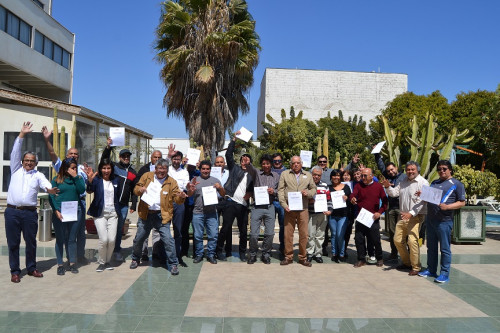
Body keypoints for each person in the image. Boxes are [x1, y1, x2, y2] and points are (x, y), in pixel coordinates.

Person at [5, 122, 58, 283]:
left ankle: (31, 268)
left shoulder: (37, 174)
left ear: (36, 163)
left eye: (32, 161)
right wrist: (22, 134)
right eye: (26, 160)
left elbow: (46, 183)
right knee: (13, 243)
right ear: (22, 161)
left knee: (30, 242)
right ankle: (15, 271)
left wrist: (50, 189)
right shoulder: (15, 169)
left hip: (29, 213)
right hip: (12, 212)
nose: (29, 163)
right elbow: (15, 151)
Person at [130, 158, 193, 275]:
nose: (161, 171)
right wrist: (140, 189)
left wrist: (182, 196)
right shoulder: (147, 176)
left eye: (164, 169)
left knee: (168, 240)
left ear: (167, 170)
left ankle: (173, 264)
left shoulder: (171, 182)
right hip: (146, 214)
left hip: (162, 215)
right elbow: (135, 189)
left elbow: (178, 199)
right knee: (139, 238)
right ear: (156, 169)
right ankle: (135, 258)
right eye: (159, 168)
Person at [43, 126, 89, 265]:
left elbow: (85, 187)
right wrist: (47, 140)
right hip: (65, 205)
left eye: (76, 154)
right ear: (67, 155)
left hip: (80, 203)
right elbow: (52, 153)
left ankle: (78, 257)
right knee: (66, 235)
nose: (73, 155)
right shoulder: (62, 167)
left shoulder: (81, 169)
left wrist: (89, 177)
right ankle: (67, 259)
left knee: (80, 233)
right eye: (71, 154)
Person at [418, 160, 465, 283]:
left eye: (444, 169)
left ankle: (444, 273)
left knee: (444, 249)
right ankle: (431, 269)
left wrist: (448, 207)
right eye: (439, 169)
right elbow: (431, 199)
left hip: (444, 221)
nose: (441, 171)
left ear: (450, 170)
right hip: (431, 220)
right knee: (431, 247)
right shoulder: (435, 182)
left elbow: (462, 202)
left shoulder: (457, 184)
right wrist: (423, 195)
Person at [382, 161, 428, 276]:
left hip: (416, 216)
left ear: (417, 170)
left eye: (412, 169)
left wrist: (411, 213)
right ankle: (407, 263)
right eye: (408, 169)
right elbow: (393, 193)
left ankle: (416, 267)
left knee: (412, 241)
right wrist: (387, 187)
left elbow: (422, 202)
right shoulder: (403, 182)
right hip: (404, 216)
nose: (410, 171)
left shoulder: (423, 183)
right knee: (397, 240)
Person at [217, 132, 253, 261]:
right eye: (242, 160)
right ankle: (219, 251)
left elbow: (258, 188)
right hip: (231, 202)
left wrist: (252, 194)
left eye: (247, 160)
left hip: (243, 206)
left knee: (243, 231)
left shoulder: (253, 175)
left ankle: (242, 253)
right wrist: (234, 140)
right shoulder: (234, 169)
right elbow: (228, 155)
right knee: (225, 228)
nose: (244, 162)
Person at [101, 137, 138, 262]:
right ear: (120, 157)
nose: (126, 158)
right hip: (111, 204)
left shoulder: (133, 172)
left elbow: (134, 190)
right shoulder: (114, 167)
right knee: (107, 228)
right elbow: (104, 160)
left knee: (118, 229)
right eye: (124, 156)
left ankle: (116, 250)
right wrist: (109, 147)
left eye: (128, 156)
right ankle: (106, 250)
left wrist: (134, 204)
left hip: (123, 206)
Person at [49, 158, 86, 275]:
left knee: (71, 239)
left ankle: (72, 263)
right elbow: (51, 196)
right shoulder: (56, 180)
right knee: (60, 239)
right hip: (60, 213)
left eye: (75, 167)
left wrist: (76, 176)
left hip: (75, 212)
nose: (75, 170)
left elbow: (82, 190)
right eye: (72, 168)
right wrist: (56, 210)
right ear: (65, 168)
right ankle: (60, 264)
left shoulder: (78, 179)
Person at [86, 159, 124, 272]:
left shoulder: (116, 180)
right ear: (100, 169)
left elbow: (119, 196)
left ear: (111, 169)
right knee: (103, 239)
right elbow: (89, 191)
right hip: (100, 214)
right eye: (104, 168)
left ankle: (107, 262)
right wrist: (90, 181)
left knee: (112, 239)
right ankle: (101, 262)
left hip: (113, 214)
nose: (106, 170)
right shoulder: (96, 180)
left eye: (108, 168)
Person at [278, 156, 317, 266]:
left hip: (303, 209)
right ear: (290, 164)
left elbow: (314, 189)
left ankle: (302, 257)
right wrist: (284, 205)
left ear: (301, 164)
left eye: (298, 163)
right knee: (288, 234)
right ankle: (288, 257)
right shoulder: (285, 174)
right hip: (289, 209)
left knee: (304, 234)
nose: (296, 165)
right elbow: (280, 190)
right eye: (294, 163)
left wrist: (308, 193)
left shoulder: (308, 175)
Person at [349, 168, 388, 268]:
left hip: (373, 217)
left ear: (371, 176)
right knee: (359, 239)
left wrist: (379, 212)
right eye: (362, 175)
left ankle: (379, 258)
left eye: (365, 176)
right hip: (361, 217)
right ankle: (361, 259)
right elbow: (353, 194)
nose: (363, 178)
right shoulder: (358, 185)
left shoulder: (378, 186)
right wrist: (352, 198)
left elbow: (385, 203)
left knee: (375, 239)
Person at [246, 154, 280, 264]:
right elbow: (250, 168)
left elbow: (280, 191)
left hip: (270, 206)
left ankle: (266, 254)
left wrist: (273, 192)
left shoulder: (276, 176)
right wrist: (248, 163)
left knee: (270, 234)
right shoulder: (256, 174)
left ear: (271, 164)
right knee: (254, 234)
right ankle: (252, 254)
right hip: (257, 207)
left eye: (268, 163)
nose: (266, 165)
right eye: (264, 163)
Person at [192, 160, 225, 264]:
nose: (205, 171)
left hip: (212, 213)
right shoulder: (195, 180)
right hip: (198, 212)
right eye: (203, 169)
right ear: (200, 169)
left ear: (210, 170)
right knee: (198, 235)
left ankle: (211, 254)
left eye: (207, 169)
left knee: (213, 235)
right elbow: (189, 195)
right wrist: (191, 188)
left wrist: (220, 188)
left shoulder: (215, 180)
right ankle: (199, 254)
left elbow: (223, 194)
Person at [374, 153, 406, 261]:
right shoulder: (388, 177)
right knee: (392, 231)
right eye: (388, 171)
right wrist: (377, 154)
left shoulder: (404, 177)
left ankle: (404, 253)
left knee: (402, 232)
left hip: (403, 208)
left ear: (396, 168)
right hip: (391, 207)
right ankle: (394, 253)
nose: (390, 172)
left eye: (392, 169)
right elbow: (381, 165)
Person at [137, 150, 163, 262]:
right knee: (143, 232)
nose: (157, 159)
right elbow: (137, 187)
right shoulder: (144, 170)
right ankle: (143, 253)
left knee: (157, 232)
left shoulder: (165, 171)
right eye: (155, 157)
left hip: (158, 208)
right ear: (151, 158)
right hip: (145, 208)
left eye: (159, 157)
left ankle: (156, 252)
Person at [306, 166, 331, 263]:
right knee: (310, 235)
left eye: (318, 175)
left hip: (322, 214)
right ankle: (309, 253)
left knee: (320, 235)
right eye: (314, 174)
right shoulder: (306, 185)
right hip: (310, 213)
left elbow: (329, 199)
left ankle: (318, 254)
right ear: (311, 174)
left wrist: (330, 210)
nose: (316, 177)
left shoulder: (324, 185)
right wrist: (308, 201)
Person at [328, 169, 351, 263]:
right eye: (334, 175)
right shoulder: (328, 188)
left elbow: (351, 201)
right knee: (333, 235)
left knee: (340, 235)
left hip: (343, 215)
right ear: (331, 177)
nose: (336, 177)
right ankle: (334, 253)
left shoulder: (346, 187)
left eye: (338, 175)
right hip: (332, 215)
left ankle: (341, 253)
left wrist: (347, 198)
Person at [271, 152, 286, 258]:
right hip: (271, 201)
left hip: (282, 202)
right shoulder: (268, 171)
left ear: (282, 161)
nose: (277, 162)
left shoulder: (287, 172)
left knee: (283, 225)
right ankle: (267, 246)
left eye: (279, 161)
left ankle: (283, 247)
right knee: (269, 225)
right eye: (275, 161)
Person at [341, 169, 356, 258]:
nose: (346, 177)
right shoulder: (338, 184)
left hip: (350, 211)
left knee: (347, 231)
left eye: (348, 175)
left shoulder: (354, 184)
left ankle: (345, 248)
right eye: (344, 175)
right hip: (340, 211)